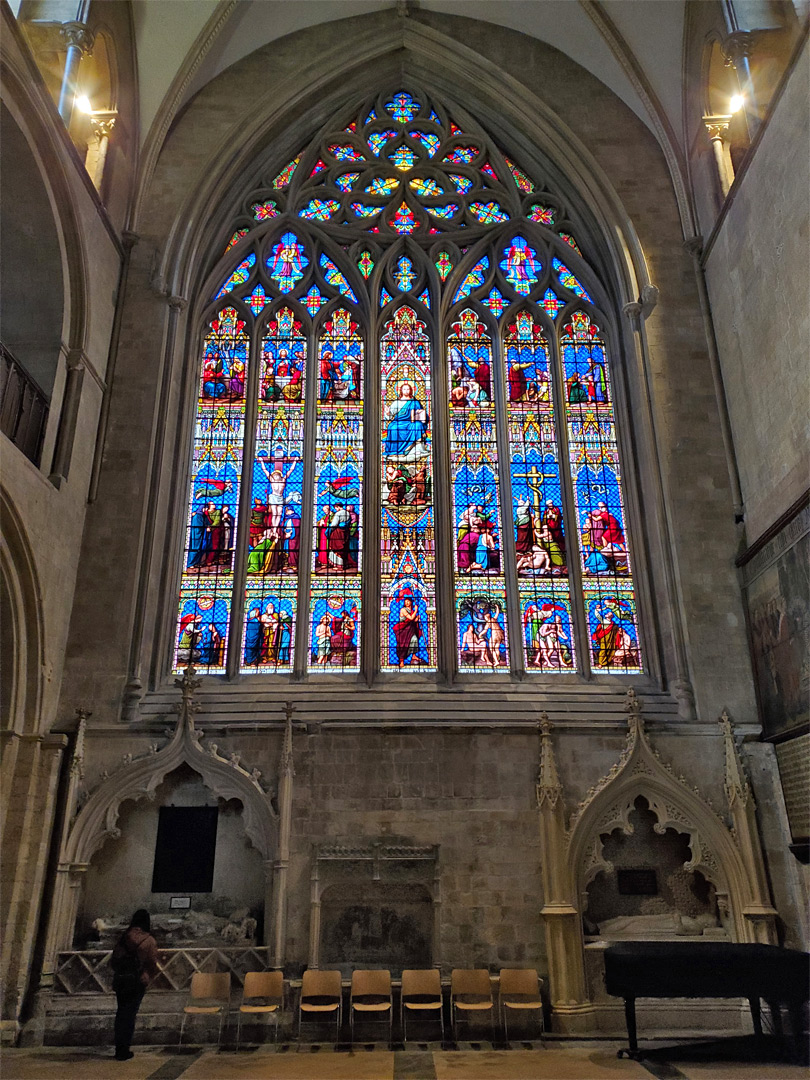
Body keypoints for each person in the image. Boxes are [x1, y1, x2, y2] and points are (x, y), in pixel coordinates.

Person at [111, 909, 159, 1061]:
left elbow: (114, 959)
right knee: (130, 1015)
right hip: (137, 981)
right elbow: (152, 962)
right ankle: (125, 1049)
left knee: (121, 1013)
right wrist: (146, 974)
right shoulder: (148, 940)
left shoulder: (124, 937)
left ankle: (119, 1048)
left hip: (121, 980)